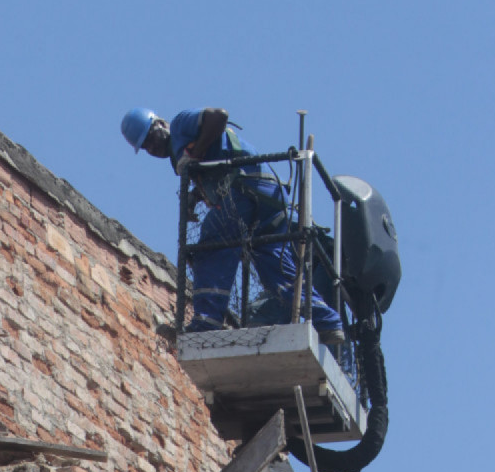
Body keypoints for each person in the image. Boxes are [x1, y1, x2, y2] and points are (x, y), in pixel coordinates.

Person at [121, 107, 343, 340]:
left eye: (150, 138)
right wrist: (195, 196)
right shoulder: (177, 151)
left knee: (210, 247)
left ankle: (206, 323)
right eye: (145, 147)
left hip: (246, 190)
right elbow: (215, 166)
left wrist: (195, 152)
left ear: (160, 124)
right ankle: (327, 321)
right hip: (267, 199)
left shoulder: (180, 125)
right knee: (274, 271)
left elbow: (218, 116)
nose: (151, 148)